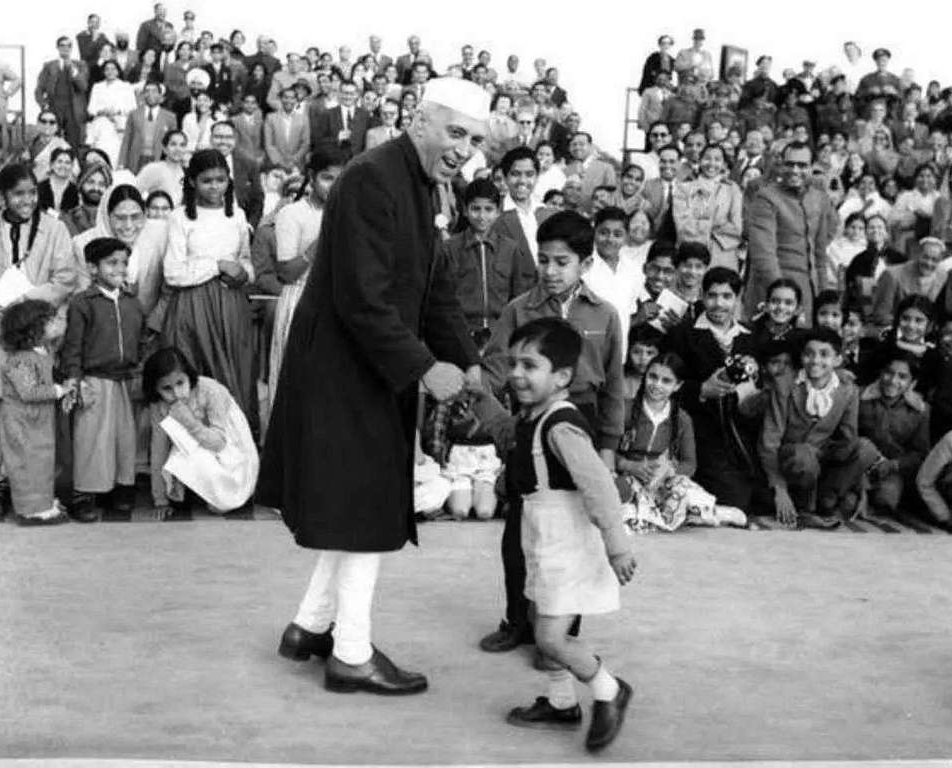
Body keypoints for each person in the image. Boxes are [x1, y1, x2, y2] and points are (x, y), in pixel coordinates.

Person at [258, 78, 487, 695]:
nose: (464, 149)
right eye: (456, 132)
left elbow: (433, 286)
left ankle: (309, 627)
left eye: (475, 140)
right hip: (342, 369)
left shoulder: (422, 183)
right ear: (420, 121)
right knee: (366, 509)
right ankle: (351, 653)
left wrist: (465, 359)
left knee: (354, 502)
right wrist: (423, 367)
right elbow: (364, 298)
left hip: (368, 367)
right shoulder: (371, 177)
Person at [470, 317, 635, 752]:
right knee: (546, 623)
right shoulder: (533, 417)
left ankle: (608, 689)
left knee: (549, 637)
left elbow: (599, 484)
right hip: (543, 537)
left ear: (561, 377)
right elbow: (509, 434)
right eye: (514, 364)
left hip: (570, 542)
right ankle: (562, 704)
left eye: (530, 365)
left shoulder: (561, 425)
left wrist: (617, 545)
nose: (517, 374)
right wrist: (476, 395)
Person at [478, 210, 624, 656]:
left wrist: (609, 451)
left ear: (586, 264)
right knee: (520, 534)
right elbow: (494, 372)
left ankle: (563, 631)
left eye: (562, 261)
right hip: (530, 424)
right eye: (543, 260)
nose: (550, 271)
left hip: (578, 423)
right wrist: (501, 425)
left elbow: (615, 387)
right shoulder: (518, 309)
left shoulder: (607, 315)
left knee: (574, 534)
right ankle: (517, 620)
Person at [161, 149, 257, 432]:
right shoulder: (180, 218)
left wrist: (242, 273)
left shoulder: (237, 215)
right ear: (192, 182)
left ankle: (236, 445)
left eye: (221, 180)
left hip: (230, 304)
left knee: (235, 371)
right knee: (197, 373)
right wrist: (217, 265)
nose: (215, 187)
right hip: (193, 306)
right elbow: (173, 272)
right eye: (207, 181)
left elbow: (246, 261)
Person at [60, 237, 146, 522]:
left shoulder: (133, 303)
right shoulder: (83, 303)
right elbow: (72, 347)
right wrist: (75, 379)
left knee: (124, 438)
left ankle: (120, 490)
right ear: (92, 268)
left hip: (126, 380)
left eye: (124, 262)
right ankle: (85, 494)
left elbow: (142, 341)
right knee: (92, 440)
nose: (120, 268)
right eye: (112, 263)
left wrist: (140, 372)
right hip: (94, 381)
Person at [668, 267, 761, 510]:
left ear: (737, 299)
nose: (719, 304)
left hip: (740, 433)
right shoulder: (683, 335)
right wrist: (701, 389)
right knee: (732, 498)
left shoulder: (749, 337)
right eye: (712, 295)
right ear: (701, 295)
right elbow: (665, 384)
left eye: (727, 296)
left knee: (761, 497)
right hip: (700, 432)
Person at [759, 328, 863, 529]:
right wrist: (779, 489)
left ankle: (826, 499)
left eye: (824, 355)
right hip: (792, 460)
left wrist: (858, 485)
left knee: (864, 448)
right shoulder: (785, 385)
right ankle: (805, 506)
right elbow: (769, 440)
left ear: (838, 360)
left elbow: (848, 440)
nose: (815, 361)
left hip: (823, 458)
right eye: (809, 353)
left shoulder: (848, 390)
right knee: (803, 455)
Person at [144, 346, 259, 515]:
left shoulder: (210, 390)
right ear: (155, 389)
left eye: (180, 383)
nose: (176, 394)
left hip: (231, 451)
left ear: (189, 376)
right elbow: (158, 449)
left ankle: (224, 490)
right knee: (179, 455)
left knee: (221, 505)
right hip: (200, 449)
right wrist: (160, 500)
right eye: (166, 389)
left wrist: (189, 420)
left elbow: (219, 444)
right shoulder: (159, 405)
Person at [269, 152, 342, 405]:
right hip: (302, 300)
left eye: (340, 179)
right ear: (311, 177)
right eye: (327, 178)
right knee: (298, 385)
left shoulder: (351, 212)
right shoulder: (292, 213)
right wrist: (319, 245)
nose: (333, 185)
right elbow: (287, 272)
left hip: (338, 305)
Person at [744, 141, 837, 321]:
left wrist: (824, 299)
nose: (795, 170)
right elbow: (764, 255)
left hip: (808, 292)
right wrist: (783, 301)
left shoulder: (819, 198)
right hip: (772, 292)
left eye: (802, 165)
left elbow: (820, 255)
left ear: (811, 167)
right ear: (781, 165)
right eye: (790, 164)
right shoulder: (766, 197)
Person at [0, 299, 74, 525]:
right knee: (26, 464)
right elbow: (28, 392)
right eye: (49, 321)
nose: (55, 324)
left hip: (37, 420)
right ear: (32, 329)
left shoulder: (42, 352)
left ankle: (42, 504)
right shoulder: (20, 360)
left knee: (42, 461)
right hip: (22, 421)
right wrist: (60, 390)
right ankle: (30, 510)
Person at [439, 178, 535, 348]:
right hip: (461, 335)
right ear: (465, 210)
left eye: (489, 209)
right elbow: (444, 297)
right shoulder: (450, 248)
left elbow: (519, 296)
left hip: (500, 335)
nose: (482, 216)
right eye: (476, 209)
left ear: (498, 211)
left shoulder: (510, 249)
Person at [857, 350, 931, 519]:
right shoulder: (859, 397)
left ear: (912, 383)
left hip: (890, 470)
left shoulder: (920, 410)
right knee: (847, 505)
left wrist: (894, 465)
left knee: (886, 502)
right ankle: (857, 495)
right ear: (880, 373)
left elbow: (920, 453)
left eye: (902, 377)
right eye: (888, 373)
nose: (893, 381)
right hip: (857, 464)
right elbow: (847, 438)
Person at [0, 164, 76, 310]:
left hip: (40, 316)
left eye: (33, 193)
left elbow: (65, 279)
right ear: (3, 196)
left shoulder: (55, 229)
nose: (28, 200)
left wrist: (25, 299)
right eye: (19, 194)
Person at [672, 143, 743, 271]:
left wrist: (702, 222)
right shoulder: (684, 187)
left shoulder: (732, 188)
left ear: (724, 164)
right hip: (691, 250)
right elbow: (682, 225)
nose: (712, 163)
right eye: (707, 158)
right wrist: (717, 223)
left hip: (723, 251)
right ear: (699, 160)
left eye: (717, 159)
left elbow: (737, 228)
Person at [583, 206, 641, 351]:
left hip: (619, 351)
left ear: (626, 237)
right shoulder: (583, 267)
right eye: (603, 233)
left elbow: (627, 312)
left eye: (617, 234)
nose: (610, 239)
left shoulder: (633, 269)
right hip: (587, 350)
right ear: (594, 233)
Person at [869, 236, 946, 331]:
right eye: (925, 257)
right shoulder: (892, 275)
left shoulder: (944, 276)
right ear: (917, 254)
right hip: (898, 330)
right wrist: (909, 328)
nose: (929, 263)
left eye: (935, 260)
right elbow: (881, 315)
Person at [34, 37, 89, 148]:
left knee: (73, 142)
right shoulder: (49, 66)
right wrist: (44, 105)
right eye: (62, 45)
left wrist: (72, 69)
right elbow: (39, 89)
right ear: (58, 47)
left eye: (68, 46)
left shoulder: (80, 65)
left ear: (71, 48)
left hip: (73, 109)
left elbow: (83, 86)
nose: (65, 48)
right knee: (51, 141)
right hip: (54, 107)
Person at [85, 59, 137, 168]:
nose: (110, 71)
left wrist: (116, 111)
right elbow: (91, 108)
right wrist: (102, 111)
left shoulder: (126, 86)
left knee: (116, 153)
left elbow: (132, 107)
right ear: (103, 72)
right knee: (100, 150)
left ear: (118, 71)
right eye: (107, 69)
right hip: (101, 122)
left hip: (119, 123)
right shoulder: (97, 87)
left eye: (113, 69)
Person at [117, 81, 177, 173]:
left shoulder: (170, 117)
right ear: (143, 95)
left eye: (154, 91)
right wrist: (121, 163)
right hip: (137, 160)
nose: (150, 94)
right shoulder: (134, 114)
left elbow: (173, 143)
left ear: (161, 96)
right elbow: (126, 140)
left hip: (159, 160)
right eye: (147, 91)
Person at [310, 80, 370, 164]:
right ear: (339, 94)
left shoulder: (365, 115)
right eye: (345, 93)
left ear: (357, 95)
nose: (348, 97)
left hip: (358, 165)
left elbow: (367, 142)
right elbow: (318, 141)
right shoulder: (327, 114)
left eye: (351, 93)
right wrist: (336, 139)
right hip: (334, 163)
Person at [136, 129, 188, 207]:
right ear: (164, 149)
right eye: (173, 144)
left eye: (182, 145)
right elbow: (135, 192)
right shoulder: (154, 169)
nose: (178, 149)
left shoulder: (187, 172)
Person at [264, 87, 310, 174]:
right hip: (275, 166)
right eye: (286, 97)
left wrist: (293, 161)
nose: (289, 101)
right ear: (281, 99)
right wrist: (281, 163)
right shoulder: (270, 118)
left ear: (296, 100)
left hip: (296, 167)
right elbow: (269, 145)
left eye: (292, 98)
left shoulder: (304, 119)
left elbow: (305, 144)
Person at [62, 162, 111, 237]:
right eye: (91, 182)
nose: (96, 188)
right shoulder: (66, 220)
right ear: (80, 185)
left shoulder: (113, 220)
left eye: (101, 184)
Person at [564, 132, 615, 202]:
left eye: (581, 144)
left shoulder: (606, 168)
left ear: (591, 146)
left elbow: (611, 197)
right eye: (574, 144)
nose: (577, 147)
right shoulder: (565, 170)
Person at [37, 148, 78, 214]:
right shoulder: (40, 187)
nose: (63, 166)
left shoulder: (75, 190)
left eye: (67, 163)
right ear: (52, 165)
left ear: (72, 166)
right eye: (59, 162)